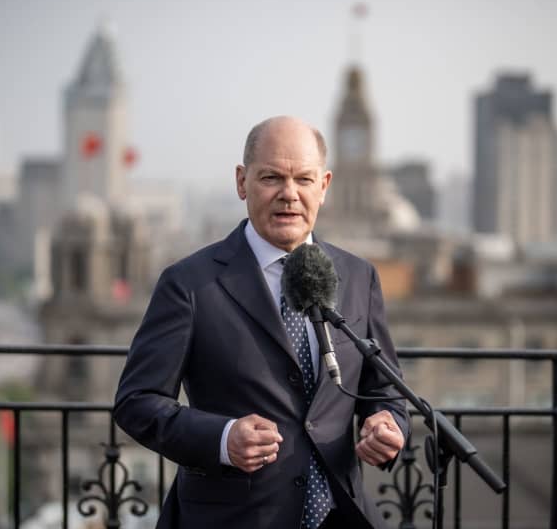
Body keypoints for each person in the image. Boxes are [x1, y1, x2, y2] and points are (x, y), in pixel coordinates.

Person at [114, 115, 409, 528]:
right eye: (272, 177)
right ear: (242, 182)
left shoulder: (359, 277)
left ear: (323, 186)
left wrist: (388, 424)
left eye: (303, 180)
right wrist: (222, 438)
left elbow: (386, 391)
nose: (289, 194)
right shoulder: (190, 283)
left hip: (342, 516)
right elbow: (136, 402)